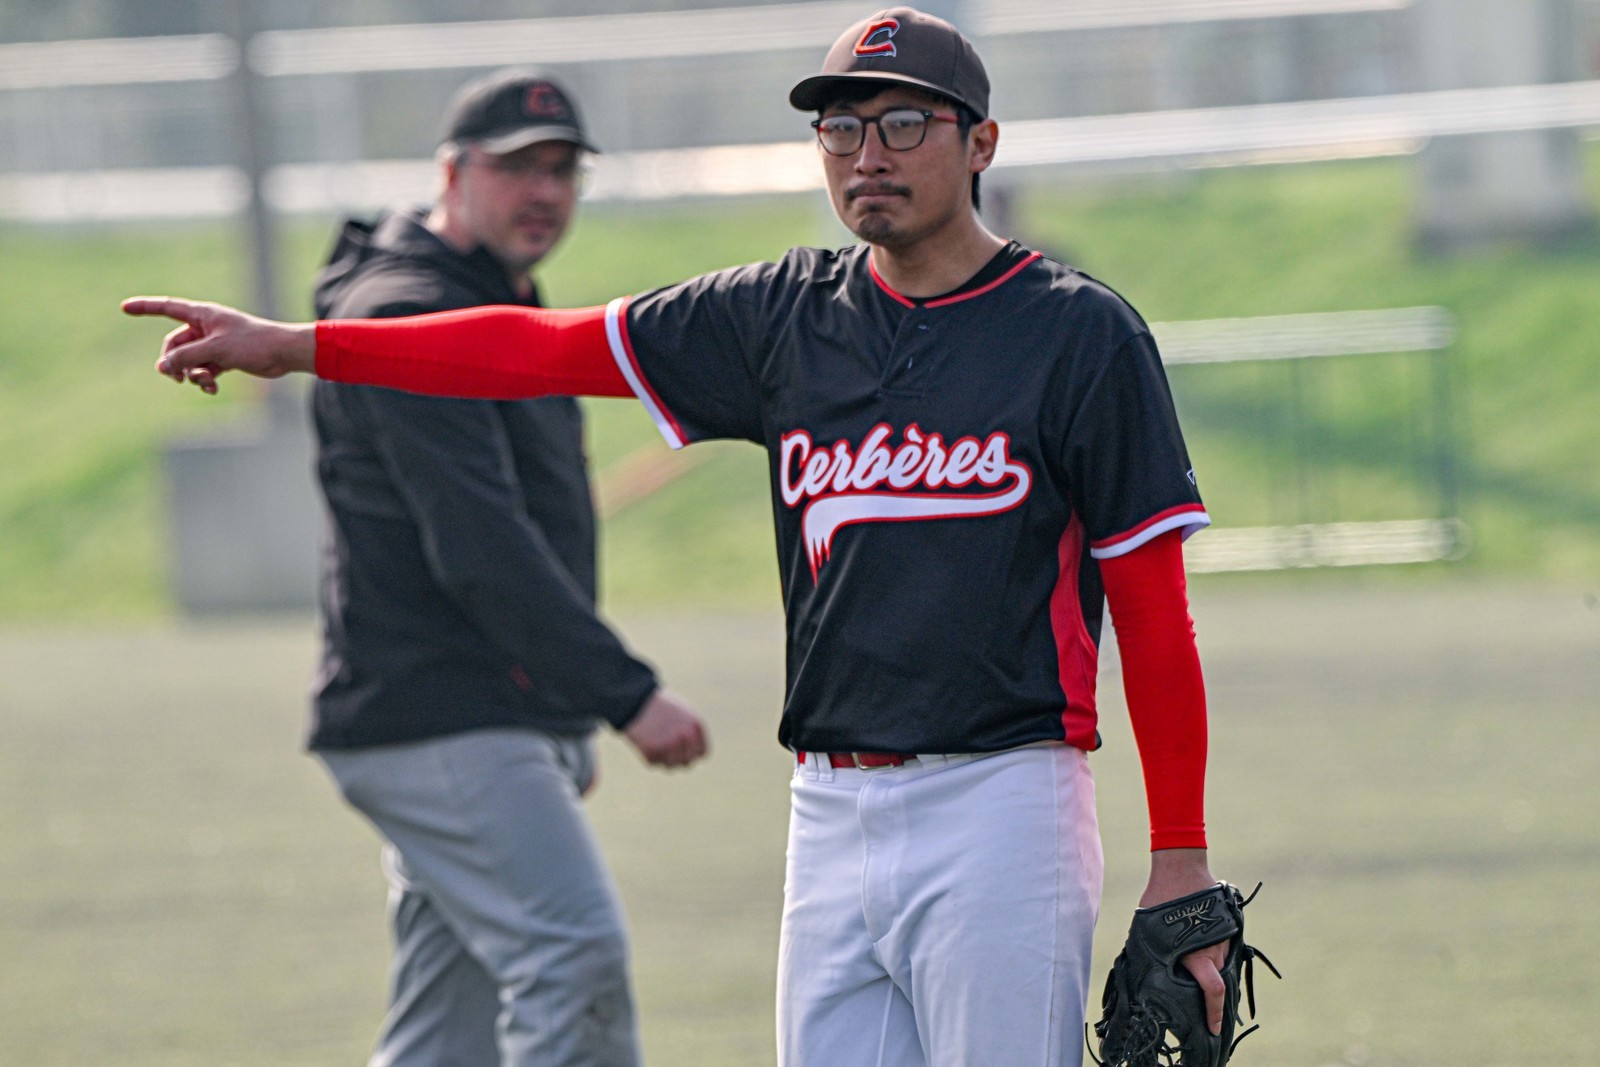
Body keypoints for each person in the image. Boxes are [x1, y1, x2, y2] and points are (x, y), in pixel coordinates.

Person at [128, 9, 1227, 1065]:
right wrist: (303, 346)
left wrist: (1179, 851)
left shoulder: (1077, 333)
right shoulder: (778, 316)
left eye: (904, 122)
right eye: (839, 127)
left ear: (980, 141)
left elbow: (1152, 611)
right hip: (829, 809)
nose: (866, 154)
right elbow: (544, 346)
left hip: (1003, 805)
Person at [301, 68, 707, 1067]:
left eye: (564, 169)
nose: (545, 191)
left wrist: (555, 710)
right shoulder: (406, 312)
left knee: (447, 1029)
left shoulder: (484, 296)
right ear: (452, 172)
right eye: (519, 167)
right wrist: (619, 693)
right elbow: (480, 543)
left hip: (478, 711)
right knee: (572, 956)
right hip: (444, 712)